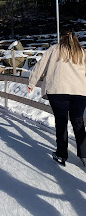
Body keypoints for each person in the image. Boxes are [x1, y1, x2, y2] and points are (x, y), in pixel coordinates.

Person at [28, 30, 86, 167]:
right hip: (80, 92)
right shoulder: (82, 52)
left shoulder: (55, 49)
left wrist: (32, 82)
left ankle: (61, 154)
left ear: (62, 38)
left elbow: (40, 66)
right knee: (78, 122)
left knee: (61, 122)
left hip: (58, 91)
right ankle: (84, 154)